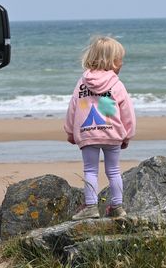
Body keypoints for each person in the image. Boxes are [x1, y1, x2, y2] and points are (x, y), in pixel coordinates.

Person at [64, 36, 136, 220]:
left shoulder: (82, 83)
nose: (122, 64)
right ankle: (117, 206)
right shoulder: (116, 84)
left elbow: (73, 107)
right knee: (113, 170)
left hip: (87, 133)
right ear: (112, 62)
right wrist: (127, 134)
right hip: (112, 133)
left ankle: (90, 206)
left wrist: (71, 131)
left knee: (90, 170)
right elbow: (126, 110)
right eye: (120, 60)